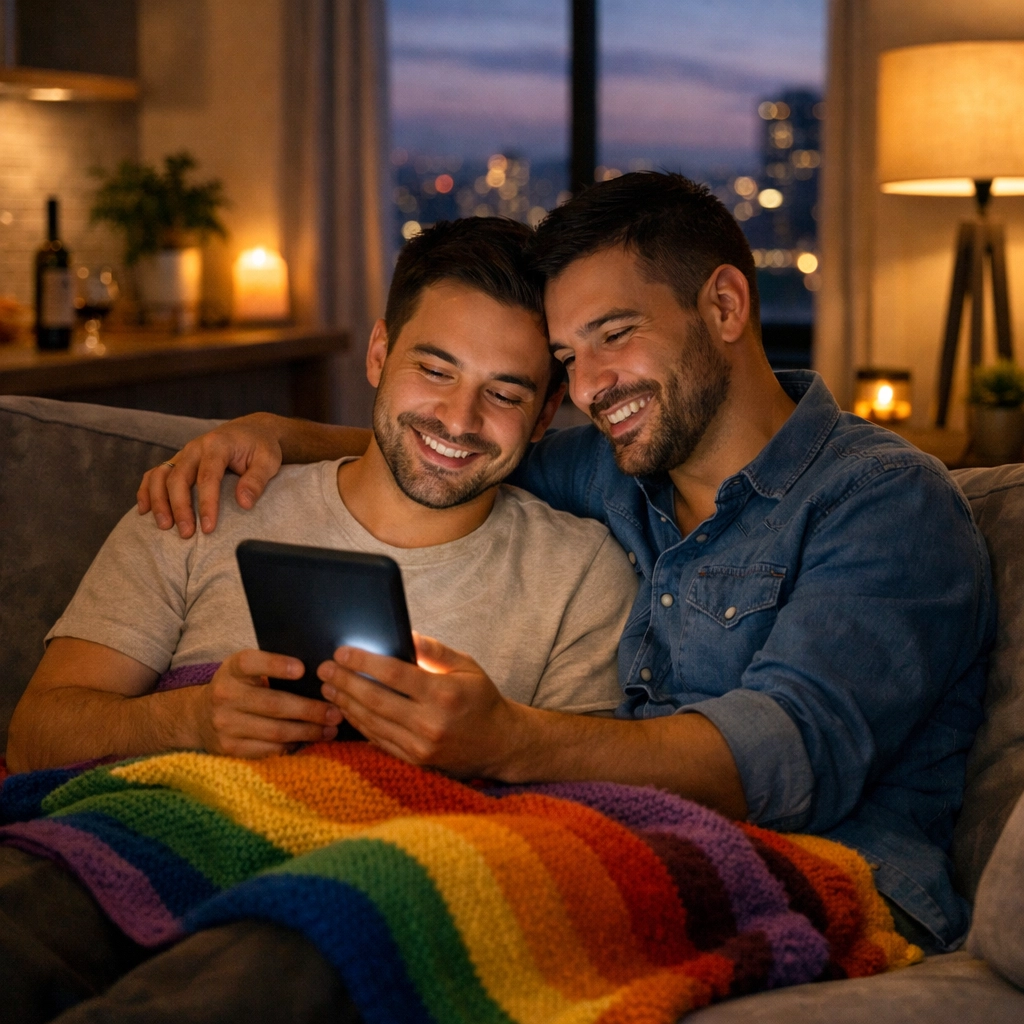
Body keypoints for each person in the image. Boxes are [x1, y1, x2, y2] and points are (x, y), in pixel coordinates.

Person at [140, 173, 995, 953]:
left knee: (383, 892)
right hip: (631, 847)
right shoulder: (618, 467)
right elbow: (453, 448)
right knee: (333, 878)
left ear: (727, 305)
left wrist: (511, 740)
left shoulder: (884, 500)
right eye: (565, 360)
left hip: (837, 878)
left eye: (614, 335)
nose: (588, 387)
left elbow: (786, 754)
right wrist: (276, 433)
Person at [5, 217, 637, 775]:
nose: (459, 419)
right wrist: (190, 721)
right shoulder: (201, 502)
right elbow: (33, 739)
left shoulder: (580, 576)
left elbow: (582, 821)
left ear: (548, 409)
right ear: (379, 353)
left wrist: (497, 745)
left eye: (504, 393)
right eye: (435, 371)